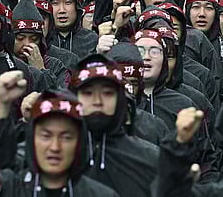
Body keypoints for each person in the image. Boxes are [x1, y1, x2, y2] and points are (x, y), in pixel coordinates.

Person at [0, 70, 119, 197]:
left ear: (79, 142)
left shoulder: (101, 194)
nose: (55, 147)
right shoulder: (7, 186)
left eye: (66, 137)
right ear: (31, 139)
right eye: (46, 135)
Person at [68, 53, 159, 197]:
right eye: (88, 93)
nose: (97, 101)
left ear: (121, 100)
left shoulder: (149, 158)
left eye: (107, 93)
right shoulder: (56, 151)